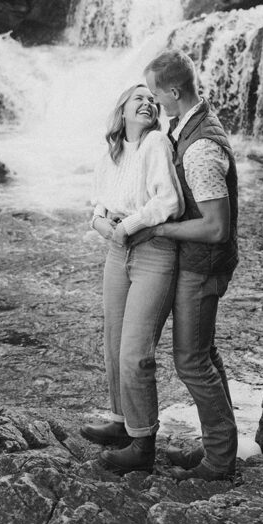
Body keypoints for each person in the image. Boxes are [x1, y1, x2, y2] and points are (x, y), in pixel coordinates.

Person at [144, 49, 239, 482]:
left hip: (203, 265)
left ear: (175, 92)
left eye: (155, 94)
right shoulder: (190, 124)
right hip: (203, 263)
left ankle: (219, 462)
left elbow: (216, 227)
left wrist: (162, 231)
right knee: (204, 354)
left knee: (191, 362)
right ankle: (219, 448)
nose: (152, 102)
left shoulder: (199, 148)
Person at [80, 82, 184, 474]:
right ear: (122, 110)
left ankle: (143, 444)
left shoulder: (156, 143)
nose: (147, 102)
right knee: (112, 344)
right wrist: (101, 224)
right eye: (137, 98)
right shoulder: (110, 155)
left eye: (151, 100)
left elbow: (168, 202)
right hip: (116, 250)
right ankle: (123, 423)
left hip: (152, 251)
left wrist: (127, 227)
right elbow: (97, 205)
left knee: (135, 353)